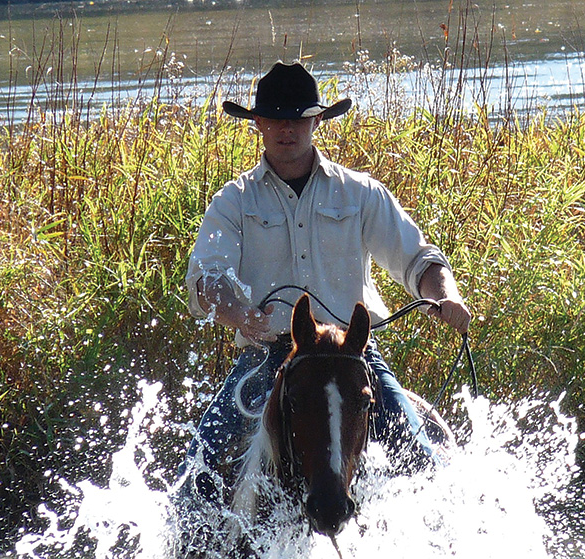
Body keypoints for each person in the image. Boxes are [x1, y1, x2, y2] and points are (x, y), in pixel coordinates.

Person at [182, 60, 471, 504]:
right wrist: (239, 312)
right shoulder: (233, 201)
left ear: (316, 121)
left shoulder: (359, 193)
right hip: (268, 356)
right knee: (198, 467)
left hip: (353, 356)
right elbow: (206, 279)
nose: (287, 129)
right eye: (276, 118)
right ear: (258, 123)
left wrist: (446, 296)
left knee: (420, 457)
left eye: (297, 119)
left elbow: (418, 258)